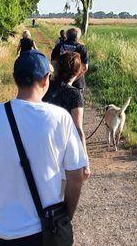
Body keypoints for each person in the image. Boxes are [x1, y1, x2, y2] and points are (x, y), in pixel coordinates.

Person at [0, 49, 88, 245]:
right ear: (46, 79)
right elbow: (76, 178)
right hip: (43, 232)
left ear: (15, 79)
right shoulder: (61, 118)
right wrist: (65, 218)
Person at [43, 51, 91, 180]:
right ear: (78, 72)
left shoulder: (46, 86)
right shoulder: (74, 94)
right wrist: (85, 162)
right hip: (62, 148)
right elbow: (78, 129)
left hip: (42, 142)